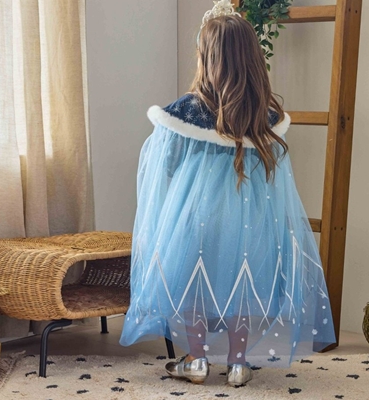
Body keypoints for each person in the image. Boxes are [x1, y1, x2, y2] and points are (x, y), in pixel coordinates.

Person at [120, 0, 336, 387]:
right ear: (252, 60)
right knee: (241, 285)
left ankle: (197, 359)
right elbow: (276, 179)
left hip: (195, 218)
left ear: (207, 58)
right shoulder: (264, 117)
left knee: (194, 285)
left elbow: (163, 164)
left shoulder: (187, 111)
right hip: (249, 221)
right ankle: (238, 363)